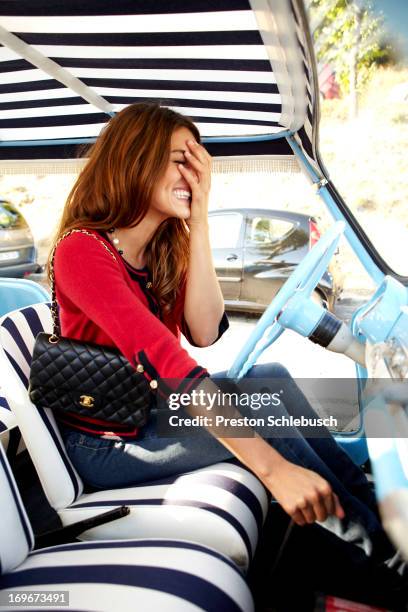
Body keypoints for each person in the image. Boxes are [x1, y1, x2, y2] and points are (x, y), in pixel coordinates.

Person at [51, 102, 385, 539]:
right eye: (181, 162)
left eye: (200, 166)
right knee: (264, 417)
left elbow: (205, 333)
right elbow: (168, 364)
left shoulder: (161, 252)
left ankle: (381, 518)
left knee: (273, 379)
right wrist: (276, 470)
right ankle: (380, 559)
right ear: (135, 158)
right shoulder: (82, 250)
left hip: (153, 414)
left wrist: (200, 214)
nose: (194, 176)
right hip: (107, 444)